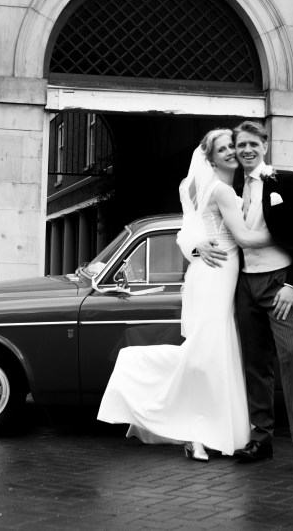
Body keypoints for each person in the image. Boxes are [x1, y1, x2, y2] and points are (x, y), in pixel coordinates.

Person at [97, 129, 270, 460]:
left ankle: (203, 429)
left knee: (213, 353)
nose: (231, 152)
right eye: (222, 149)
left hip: (213, 275)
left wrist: (196, 244)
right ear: (211, 159)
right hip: (216, 275)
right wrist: (291, 235)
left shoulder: (207, 190)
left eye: (232, 147)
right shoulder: (220, 191)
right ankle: (190, 422)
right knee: (207, 353)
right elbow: (244, 238)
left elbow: (188, 229)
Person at [191, 120, 293, 477]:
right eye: (240, 145)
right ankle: (261, 439)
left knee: (290, 358)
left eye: (252, 143)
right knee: (255, 363)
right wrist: (197, 246)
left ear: (265, 144)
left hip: (280, 284)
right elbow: (207, 227)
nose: (246, 150)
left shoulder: (286, 181)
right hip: (244, 286)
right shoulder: (231, 189)